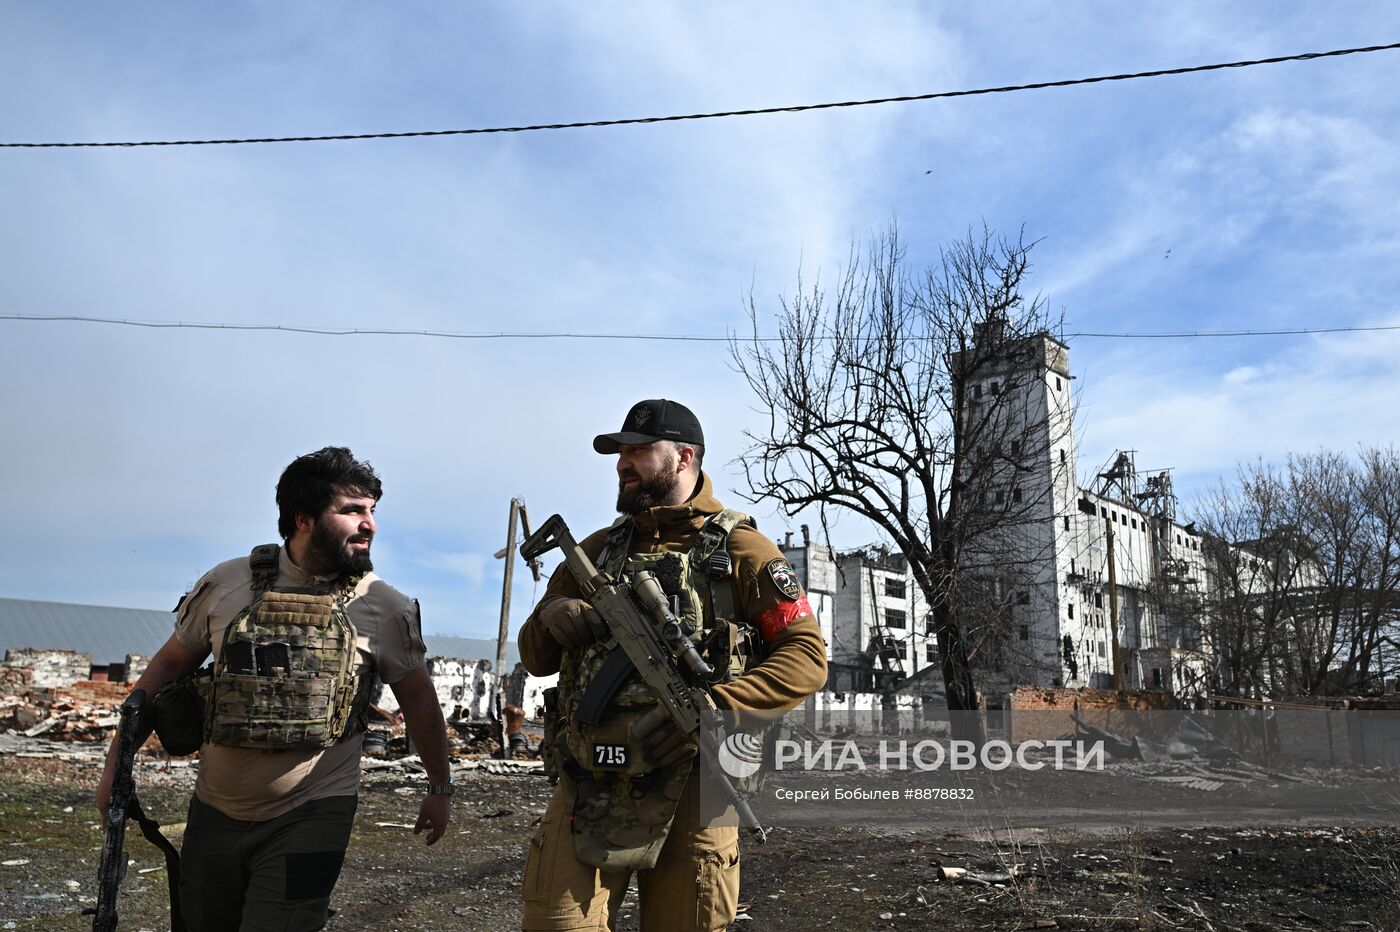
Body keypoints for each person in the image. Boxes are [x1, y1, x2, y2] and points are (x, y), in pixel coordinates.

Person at [95, 446, 452, 932]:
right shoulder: (227, 583)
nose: (369, 524)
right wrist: (115, 769)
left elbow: (419, 701)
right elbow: (163, 673)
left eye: (372, 511)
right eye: (352, 510)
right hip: (214, 813)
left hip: (313, 814)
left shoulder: (383, 606)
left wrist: (439, 787)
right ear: (303, 519)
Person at [519, 399, 827, 932]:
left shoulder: (743, 551)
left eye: (638, 451)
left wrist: (717, 706)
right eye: (619, 452)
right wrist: (552, 615)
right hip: (591, 780)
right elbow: (534, 656)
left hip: (697, 780)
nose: (623, 462)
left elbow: (806, 658)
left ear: (684, 457)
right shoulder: (594, 553)